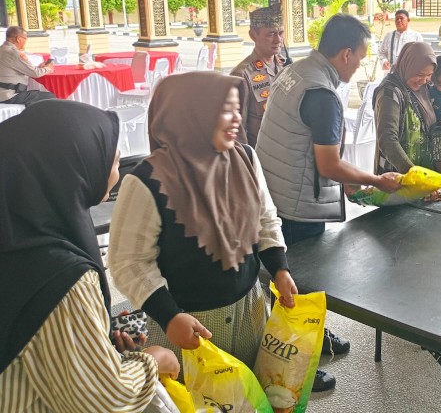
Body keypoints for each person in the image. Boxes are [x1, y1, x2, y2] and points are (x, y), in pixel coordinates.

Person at [108, 73, 301, 384]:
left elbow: (265, 218)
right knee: (197, 397)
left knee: (250, 392)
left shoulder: (245, 158)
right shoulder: (148, 181)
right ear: (191, 113)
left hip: (249, 309)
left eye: (238, 109)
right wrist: (169, 316)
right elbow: (128, 262)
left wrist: (280, 268)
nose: (237, 118)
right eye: (226, 110)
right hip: (187, 322)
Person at [0, 100, 180, 412]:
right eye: (108, 156)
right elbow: (103, 400)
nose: (117, 161)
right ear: (71, 169)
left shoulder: (16, 236)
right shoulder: (61, 277)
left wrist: (97, 348)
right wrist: (155, 360)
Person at [256, 14, 402, 387]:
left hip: (276, 188)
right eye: (361, 57)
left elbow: (305, 144)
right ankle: (292, 367)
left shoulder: (297, 70)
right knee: (294, 285)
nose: (360, 65)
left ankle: (316, 336)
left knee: (300, 280)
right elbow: (329, 164)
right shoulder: (322, 95)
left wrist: (348, 184)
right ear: (345, 53)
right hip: (294, 202)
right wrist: (375, 180)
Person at [374, 42, 439, 174]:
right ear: (407, 66)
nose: (424, 80)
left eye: (429, 75)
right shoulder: (389, 93)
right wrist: (412, 173)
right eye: (419, 74)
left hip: (424, 173)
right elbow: (387, 139)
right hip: (397, 175)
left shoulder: (423, 89)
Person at [230, 4, 290, 146]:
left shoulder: (286, 67)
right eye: (271, 34)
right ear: (253, 35)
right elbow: (237, 130)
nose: (278, 40)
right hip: (259, 152)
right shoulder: (242, 74)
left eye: (280, 33)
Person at [0, 26, 55, 106]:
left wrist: (39, 68)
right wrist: (48, 68)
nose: (26, 41)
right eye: (25, 38)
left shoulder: (2, 49)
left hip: (3, 92)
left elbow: (20, 69)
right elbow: (35, 74)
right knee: (52, 96)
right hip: (9, 95)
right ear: (18, 39)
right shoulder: (14, 53)